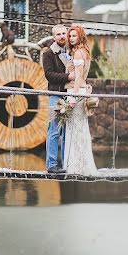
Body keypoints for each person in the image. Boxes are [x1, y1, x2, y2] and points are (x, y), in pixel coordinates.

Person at [64, 24, 98, 176]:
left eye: (74, 36)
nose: (71, 38)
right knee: (81, 129)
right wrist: (86, 86)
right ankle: (82, 165)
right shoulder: (85, 52)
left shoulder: (78, 53)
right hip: (82, 91)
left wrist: (73, 96)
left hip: (75, 92)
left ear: (80, 36)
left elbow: (78, 77)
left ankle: (76, 167)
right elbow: (83, 76)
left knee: (75, 130)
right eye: (70, 36)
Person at [42, 24, 75, 173]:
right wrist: (68, 76)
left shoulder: (73, 51)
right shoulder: (48, 54)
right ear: (54, 37)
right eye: (58, 34)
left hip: (70, 96)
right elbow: (49, 75)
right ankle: (52, 165)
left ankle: (66, 164)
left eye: (64, 33)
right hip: (56, 96)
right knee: (54, 131)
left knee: (68, 131)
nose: (62, 36)